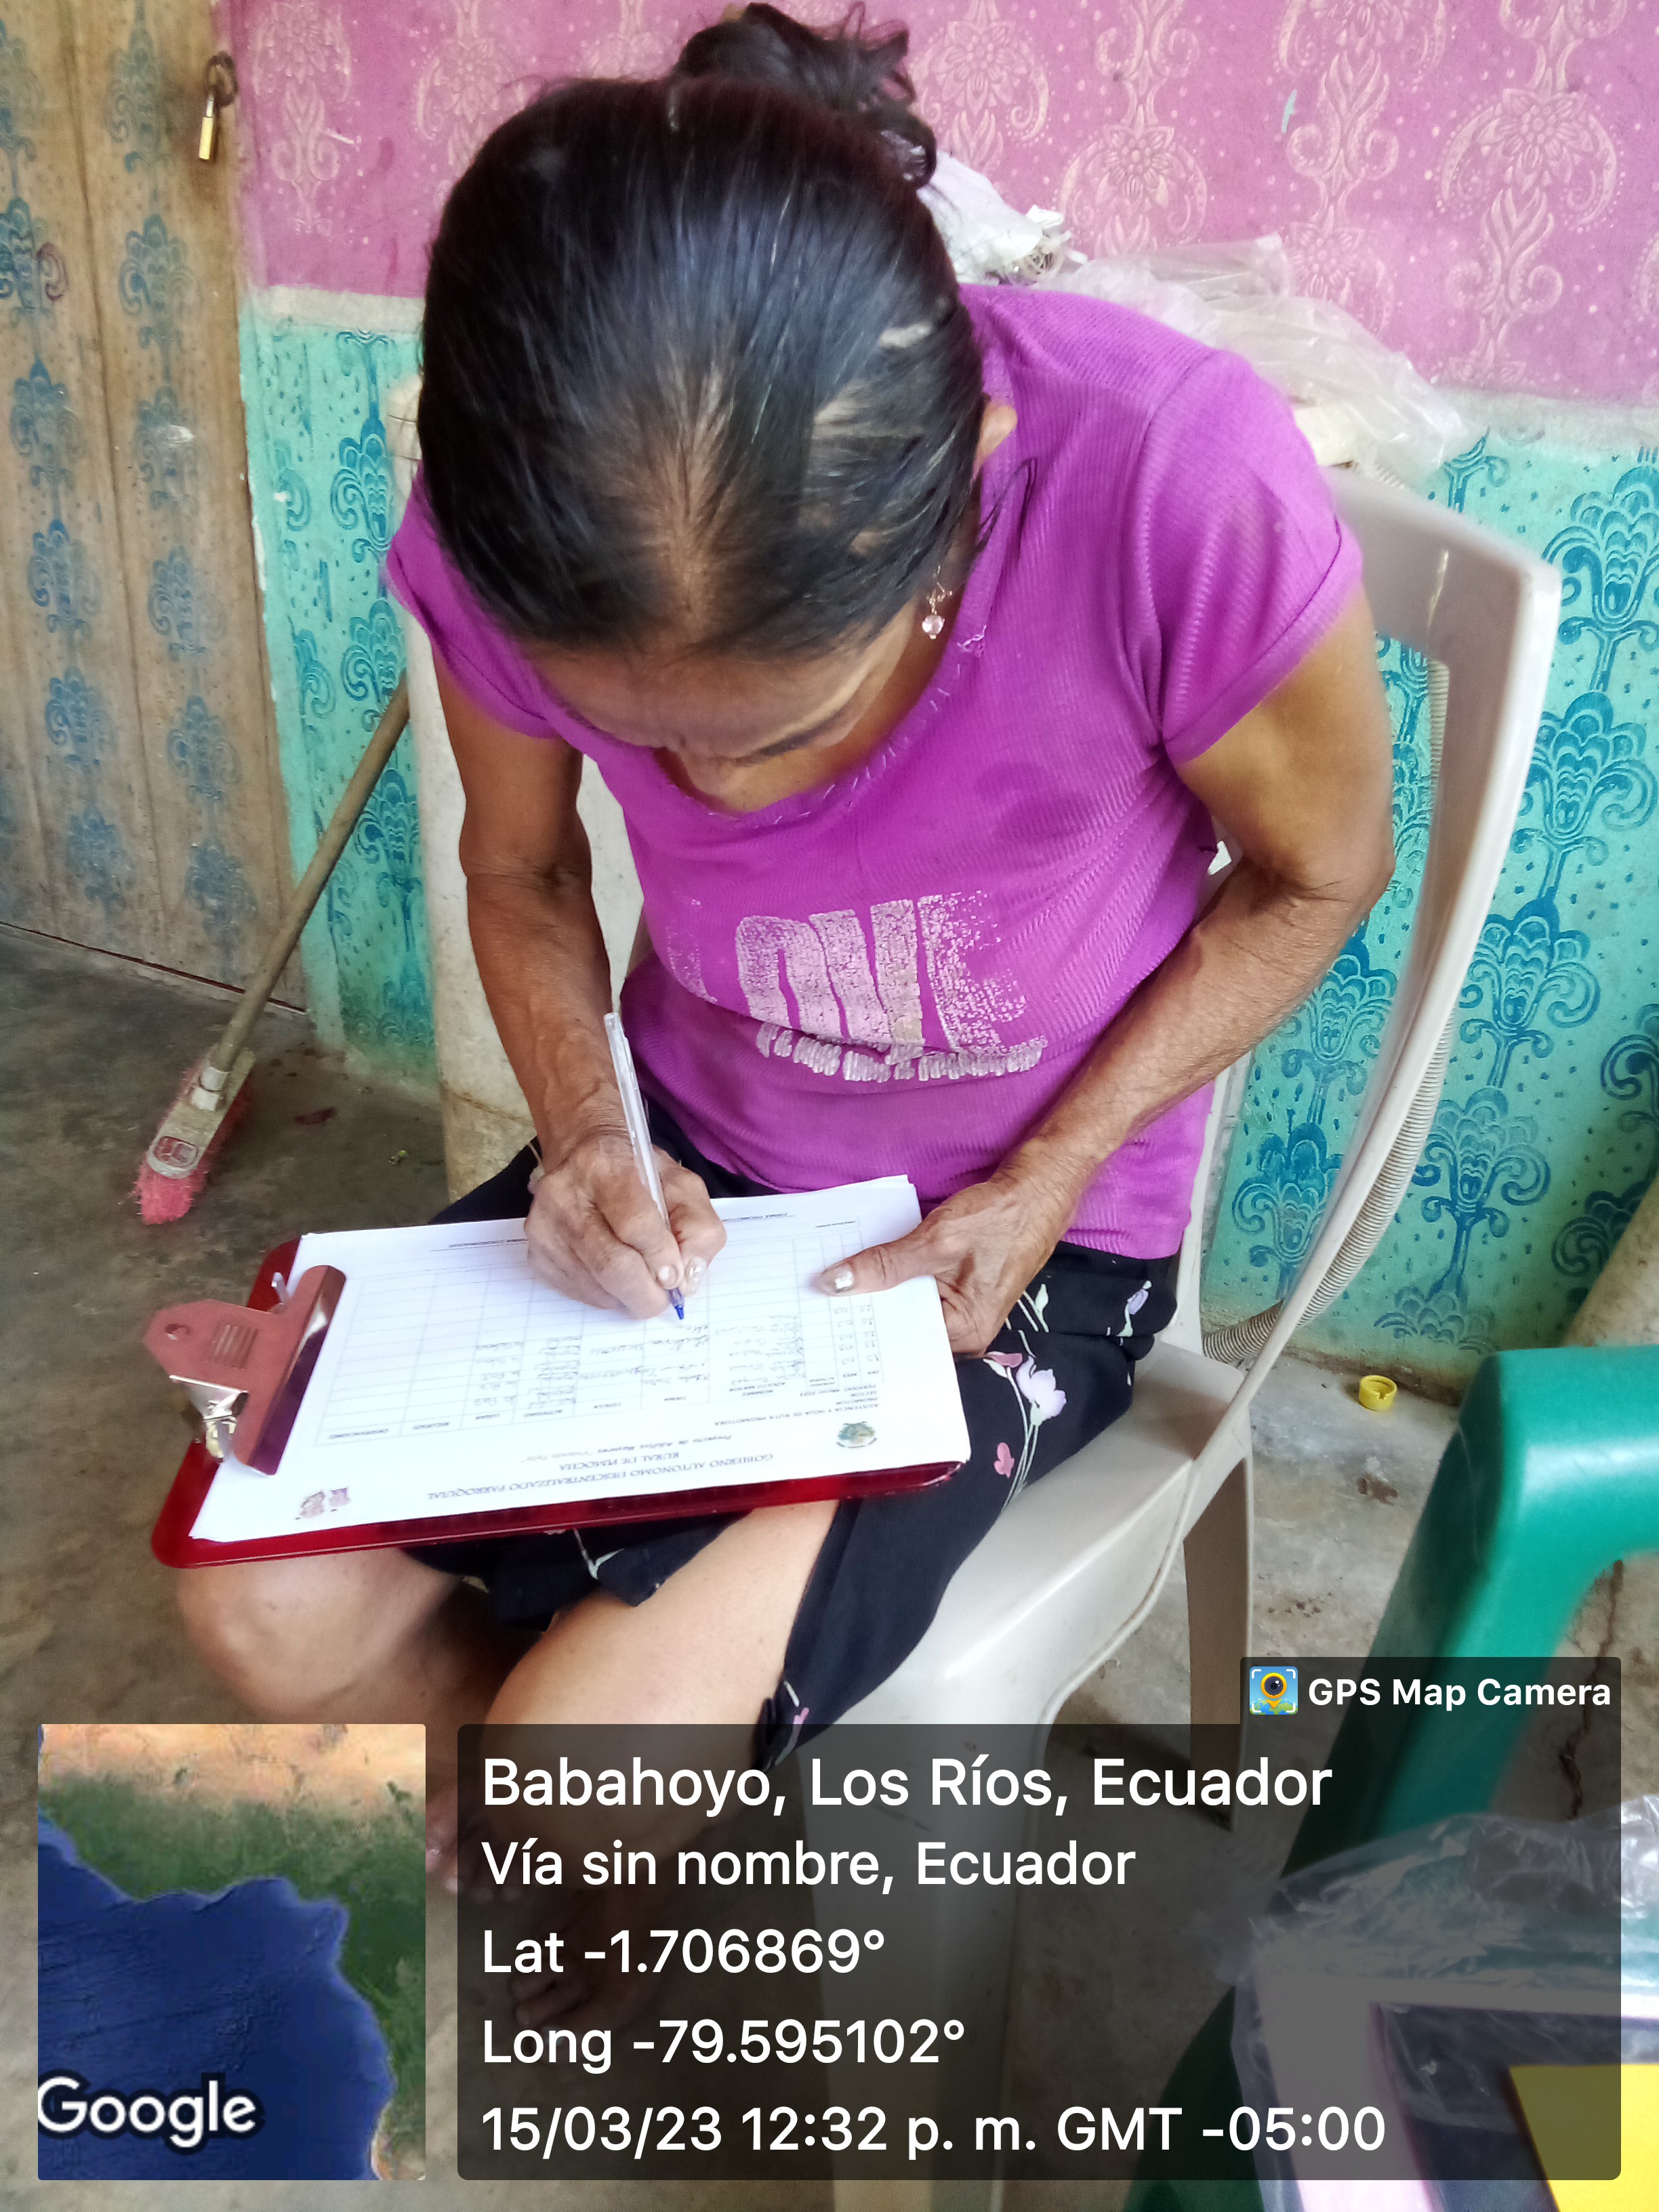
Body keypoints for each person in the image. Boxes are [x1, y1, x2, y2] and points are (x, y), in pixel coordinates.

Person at [176, 7, 1393, 1868]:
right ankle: (590, 1846)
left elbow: (1316, 876)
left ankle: (587, 1837)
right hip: (687, 1171)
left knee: (574, 1782)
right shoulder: (515, 524)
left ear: (967, 485)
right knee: (261, 1604)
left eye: (785, 728)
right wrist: (589, 1134)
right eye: (642, 738)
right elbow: (525, 875)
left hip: (1012, 1234)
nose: (718, 799)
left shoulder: (1169, 484)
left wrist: (1053, 1172)